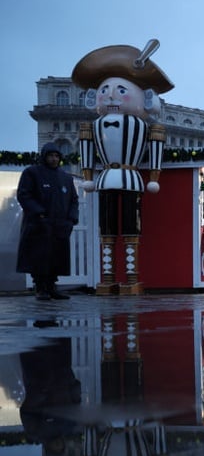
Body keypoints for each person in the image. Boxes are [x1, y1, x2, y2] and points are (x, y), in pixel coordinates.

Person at [72, 41, 173, 295]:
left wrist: (154, 177)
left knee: (131, 229)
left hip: (131, 179)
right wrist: (88, 176)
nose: (112, 96)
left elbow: (156, 148)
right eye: (105, 89)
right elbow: (86, 149)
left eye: (120, 89)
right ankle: (107, 277)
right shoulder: (93, 126)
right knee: (106, 231)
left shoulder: (144, 126)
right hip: (106, 178)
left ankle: (131, 277)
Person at [16, 143, 80, 300]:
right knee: (39, 258)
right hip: (39, 225)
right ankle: (40, 288)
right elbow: (24, 195)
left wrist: (71, 219)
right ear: (44, 156)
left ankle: (52, 287)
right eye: (51, 155)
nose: (54, 159)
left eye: (57, 156)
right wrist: (40, 214)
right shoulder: (32, 173)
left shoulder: (65, 177)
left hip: (60, 226)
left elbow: (74, 200)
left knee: (57, 257)